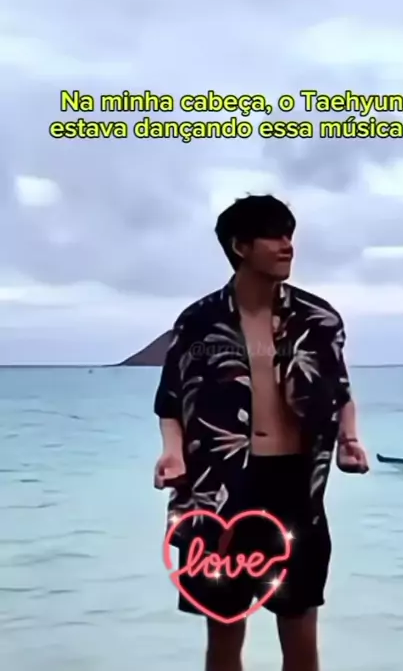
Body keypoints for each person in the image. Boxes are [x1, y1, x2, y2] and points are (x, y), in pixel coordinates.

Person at [153, 194, 369, 671]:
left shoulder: (318, 318)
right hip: (221, 489)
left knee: (300, 623)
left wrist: (350, 440)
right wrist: (173, 453)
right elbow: (170, 401)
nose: (288, 245)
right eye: (274, 236)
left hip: (296, 487)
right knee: (224, 626)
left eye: (290, 234)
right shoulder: (198, 322)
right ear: (240, 246)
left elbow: (340, 389)